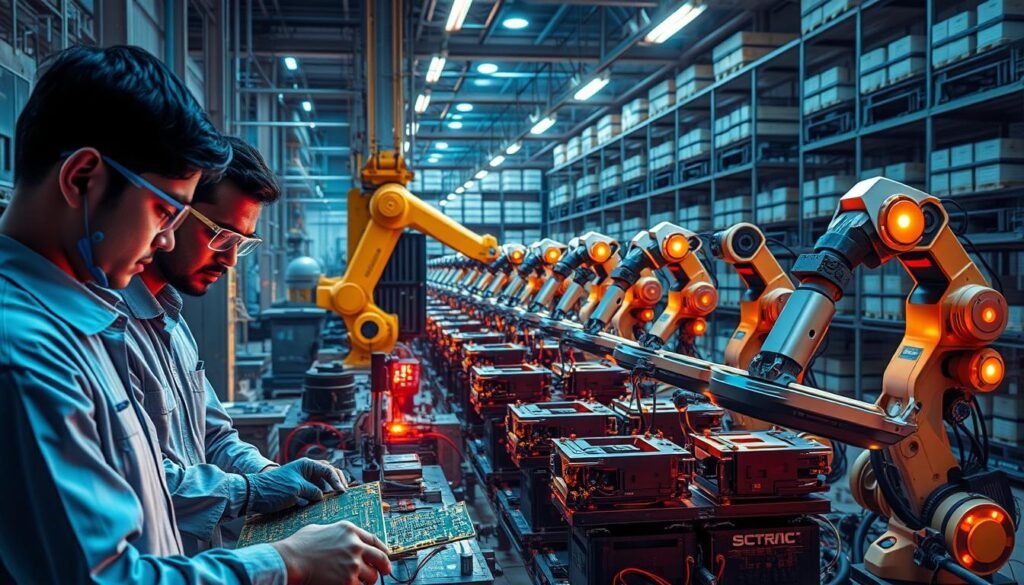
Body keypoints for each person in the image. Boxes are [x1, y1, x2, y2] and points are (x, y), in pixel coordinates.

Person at [0, 45, 390, 585]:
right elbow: (108, 577)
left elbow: (173, 472)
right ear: (82, 178)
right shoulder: (26, 354)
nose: (164, 238)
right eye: (164, 211)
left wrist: (271, 480)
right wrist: (285, 562)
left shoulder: (87, 323)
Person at [122, 135, 347, 553]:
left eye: (241, 244)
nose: (228, 260)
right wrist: (250, 492)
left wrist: (274, 476)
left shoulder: (173, 322)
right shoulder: (110, 332)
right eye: (221, 235)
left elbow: (216, 438)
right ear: (171, 212)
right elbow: (141, 488)